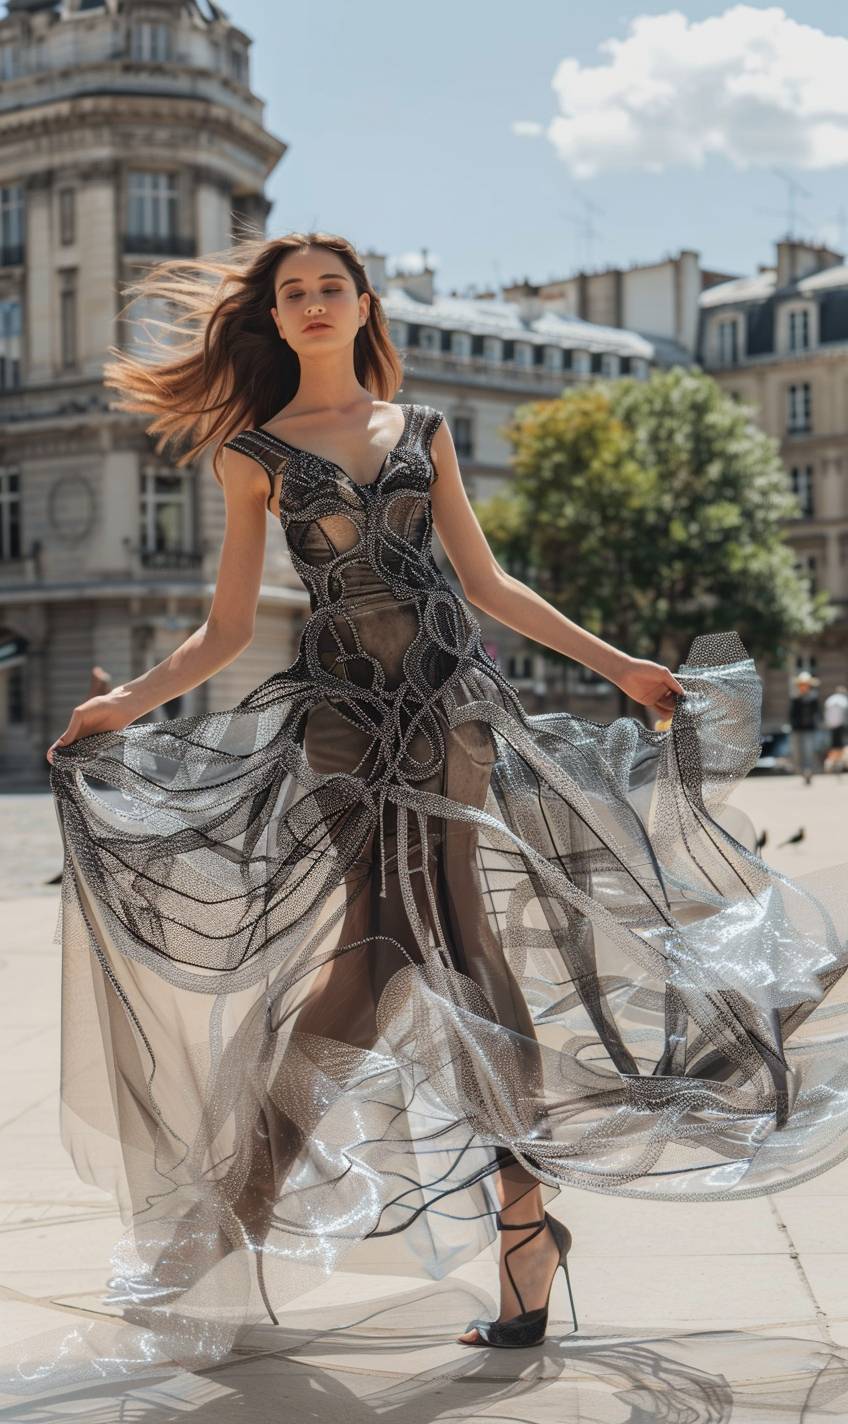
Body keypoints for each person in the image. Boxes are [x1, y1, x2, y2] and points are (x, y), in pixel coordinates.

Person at [36, 232, 848, 1387]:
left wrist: (619, 664)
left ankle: (256, 1222)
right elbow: (224, 630)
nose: (312, 304)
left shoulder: (419, 429)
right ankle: (500, 1229)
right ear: (272, 319)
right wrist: (124, 699)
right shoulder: (250, 451)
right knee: (387, 958)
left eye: (329, 288)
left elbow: (485, 582)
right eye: (291, 293)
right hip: (340, 722)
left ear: (361, 304)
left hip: (449, 712)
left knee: (431, 947)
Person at [789, 670, 820, 784]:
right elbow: (792, 714)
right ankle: (802, 771)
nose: (804, 687)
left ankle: (808, 771)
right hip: (797, 730)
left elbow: (817, 713)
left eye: (805, 685)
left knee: (809, 751)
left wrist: (817, 723)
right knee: (798, 753)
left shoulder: (813, 699)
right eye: (802, 685)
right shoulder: (795, 699)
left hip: (809, 730)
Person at [824, 682, 848, 772]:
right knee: (843, 746)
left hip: (832, 727)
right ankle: (840, 763)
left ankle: (831, 764)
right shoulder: (844, 700)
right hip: (842, 727)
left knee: (834, 746)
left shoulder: (830, 700)